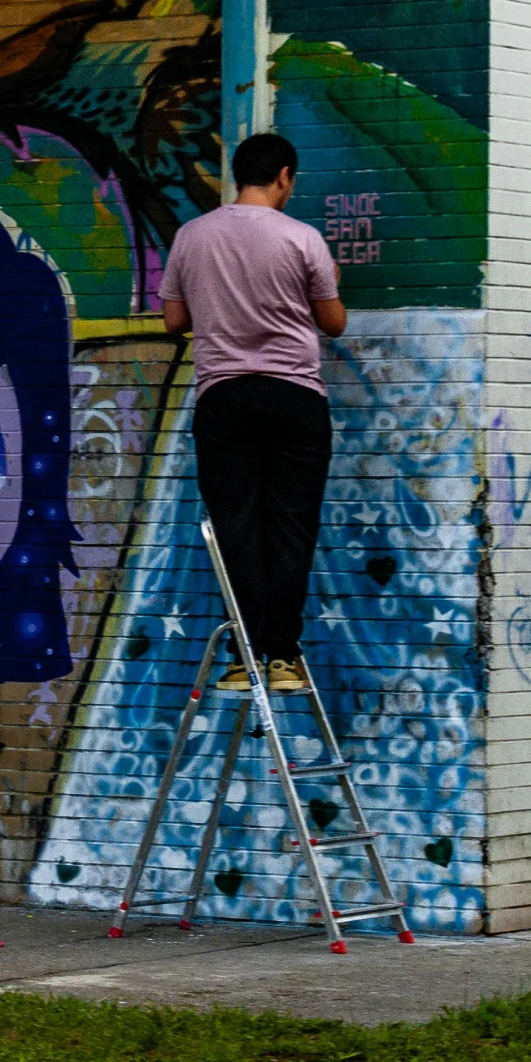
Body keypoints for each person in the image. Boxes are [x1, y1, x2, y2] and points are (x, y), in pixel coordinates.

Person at [161, 133, 347, 693]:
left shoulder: (192, 237)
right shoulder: (303, 239)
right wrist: (331, 283)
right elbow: (333, 323)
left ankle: (243, 659)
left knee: (237, 525)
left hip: (224, 399)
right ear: (284, 176)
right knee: (290, 526)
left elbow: (173, 322)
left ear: (237, 176)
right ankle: (283, 658)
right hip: (294, 398)